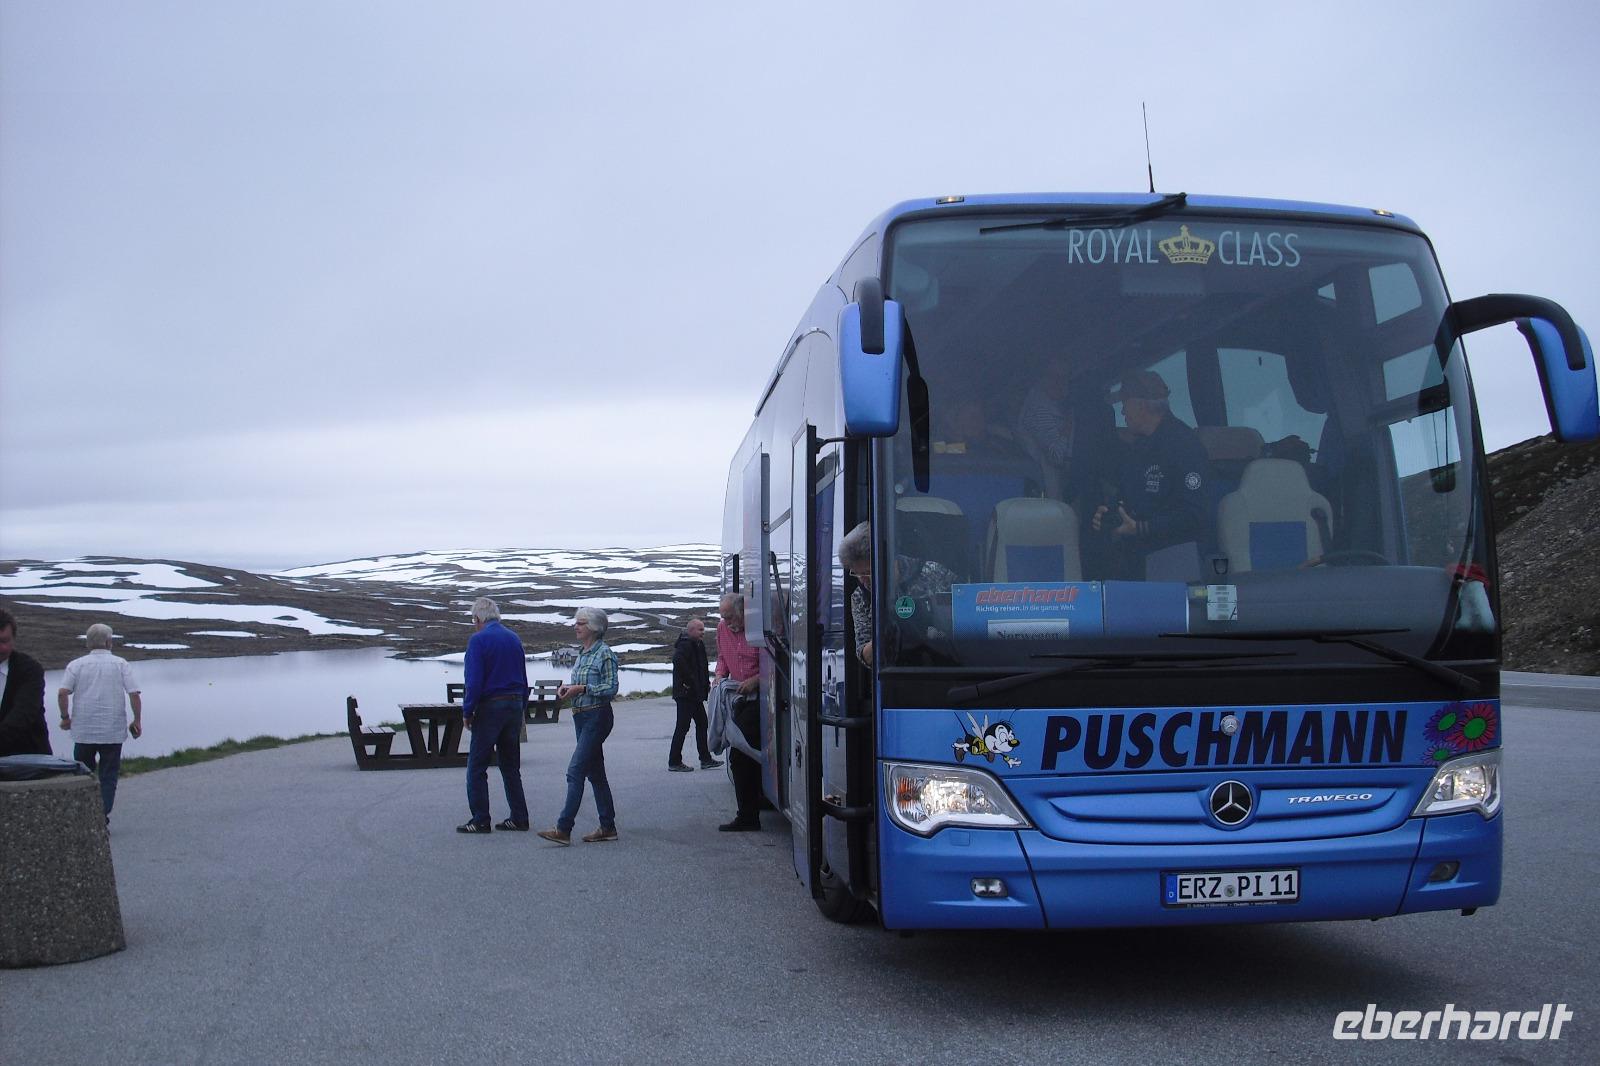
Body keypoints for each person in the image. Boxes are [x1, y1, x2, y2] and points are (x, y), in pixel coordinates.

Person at [1091, 369, 1217, 579]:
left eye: (1124, 404)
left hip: (1178, 566)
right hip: (1139, 562)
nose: (1122, 413)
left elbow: (1196, 516)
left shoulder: (1185, 446)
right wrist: (1109, 516)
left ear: (1140, 405)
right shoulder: (1138, 449)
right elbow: (1129, 500)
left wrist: (1142, 528)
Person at [537, 607, 620, 845]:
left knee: (576, 771)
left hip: (597, 716)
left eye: (581, 623)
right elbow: (580, 685)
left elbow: (611, 689)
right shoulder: (583, 653)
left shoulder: (604, 653)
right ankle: (608, 827)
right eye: (576, 623)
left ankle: (563, 829)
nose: (576, 626)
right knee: (595, 774)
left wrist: (582, 689)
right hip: (580, 717)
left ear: (594, 627)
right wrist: (568, 690)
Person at [838, 521, 956, 669]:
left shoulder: (931, 573)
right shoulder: (860, 596)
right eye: (857, 573)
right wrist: (889, 631)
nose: (863, 580)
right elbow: (865, 656)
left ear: (890, 561)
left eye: (868, 572)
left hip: (946, 668)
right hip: (896, 678)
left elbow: (968, 613)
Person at [457, 597, 530, 834]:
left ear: (478, 619)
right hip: (514, 704)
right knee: (510, 765)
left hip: (491, 707)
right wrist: (522, 708)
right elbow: (523, 676)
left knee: (477, 765)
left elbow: (474, 680)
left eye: (473, 620)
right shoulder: (513, 638)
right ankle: (519, 817)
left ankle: (480, 819)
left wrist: (468, 711)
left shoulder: (478, 640)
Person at [56, 623, 142, 821]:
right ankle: (101, 814)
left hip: (83, 732)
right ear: (108, 642)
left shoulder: (76, 665)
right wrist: (137, 720)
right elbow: (134, 694)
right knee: (108, 776)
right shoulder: (121, 664)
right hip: (112, 732)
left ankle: (86, 815)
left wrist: (65, 718)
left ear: (88, 643)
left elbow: (62, 693)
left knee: (82, 775)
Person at [711, 592, 763, 832]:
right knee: (743, 753)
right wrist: (719, 675)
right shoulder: (722, 629)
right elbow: (722, 658)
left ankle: (748, 815)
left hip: (762, 697)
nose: (727, 621)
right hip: (737, 697)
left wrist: (757, 680)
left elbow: (778, 661)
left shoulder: (759, 629)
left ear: (743, 612)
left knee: (740, 754)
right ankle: (753, 806)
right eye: (724, 617)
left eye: (730, 616)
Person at [667, 617, 720, 772]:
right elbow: (678, 662)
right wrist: (690, 682)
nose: (703, 632)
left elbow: (701, 667)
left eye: (703, 629)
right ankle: (674, 762)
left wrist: (704, 684)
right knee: (682, 727)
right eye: (700, 630)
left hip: (694, 694)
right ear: (691, 631)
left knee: (702, 723)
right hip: (686, 694)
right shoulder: (685, 646)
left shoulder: (698, 644)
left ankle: (705, 759)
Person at [0, 606, 50, 757]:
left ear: (14, 639)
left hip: (29, 761)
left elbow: (23, 715)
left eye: (4, 641)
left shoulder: (30, 670)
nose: (0, 647)